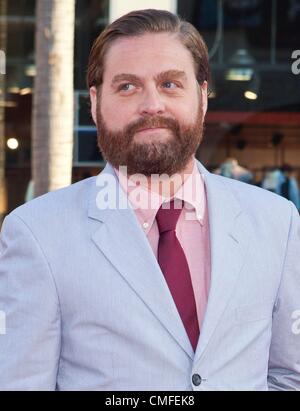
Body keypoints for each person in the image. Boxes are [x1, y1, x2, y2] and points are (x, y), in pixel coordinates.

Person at [0, 9, 299, 391]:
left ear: (203, 97)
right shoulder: (37, 234)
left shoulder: (277, 221)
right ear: (94, 102)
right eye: (127, 86)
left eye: (171, 83)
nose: (152, 104)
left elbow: (290, 377)